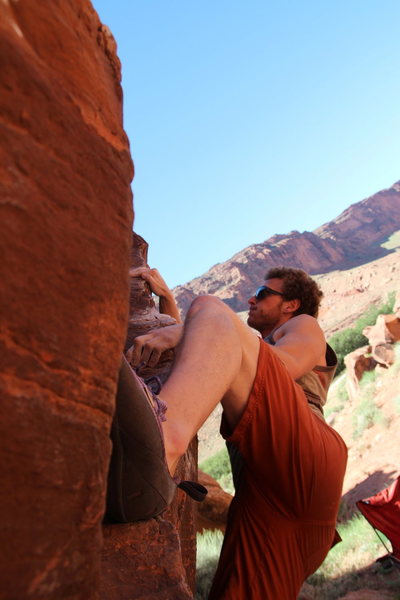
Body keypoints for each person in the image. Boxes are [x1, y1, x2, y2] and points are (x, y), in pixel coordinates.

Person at [121, 266, 347, 599]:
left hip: (304, 458)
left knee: (210, 307)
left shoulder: (303, 324)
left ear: (291, 305)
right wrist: (168, 301)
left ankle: (158, 449)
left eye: (263, 292)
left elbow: (286, 367)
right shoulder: (247, 349)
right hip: (264, 501)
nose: (251, 299)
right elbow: (195, 364)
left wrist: (191, 328)